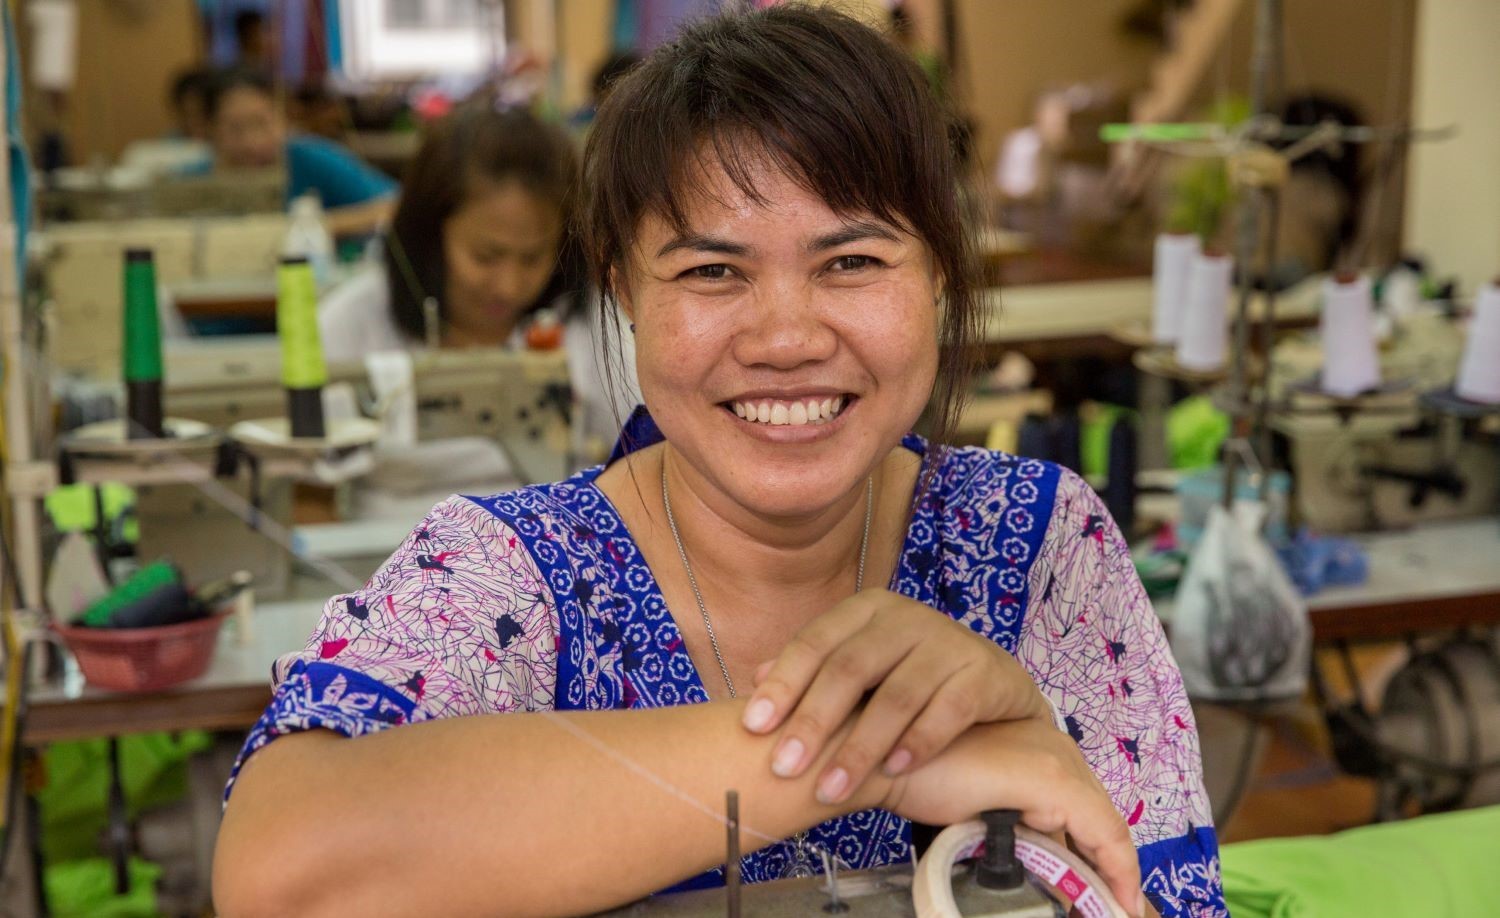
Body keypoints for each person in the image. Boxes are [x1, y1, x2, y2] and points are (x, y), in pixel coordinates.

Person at [213, 8, 1224, 918]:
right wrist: (866, 753)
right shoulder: (507, 578)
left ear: (942, 274)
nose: (785, 336)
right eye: (711, 272)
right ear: (621, 288)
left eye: (853, 262)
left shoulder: (1040, 546)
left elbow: (1163, 900)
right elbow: (283, 872)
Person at [317, 97, 638, 450]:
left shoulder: (590, 322)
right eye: (485, 257)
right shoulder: (351, 322)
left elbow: (645, 457)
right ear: (428, 235)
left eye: (532, 259)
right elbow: (313, 496)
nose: (508, 286)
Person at [201, 68, 395, 237]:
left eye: (261, 123)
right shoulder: (196, 179)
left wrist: (312, 228)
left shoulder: (312, 160)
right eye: (235, 128)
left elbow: (395, 207)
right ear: (210, 129)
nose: (251, 142)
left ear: (284, 116)